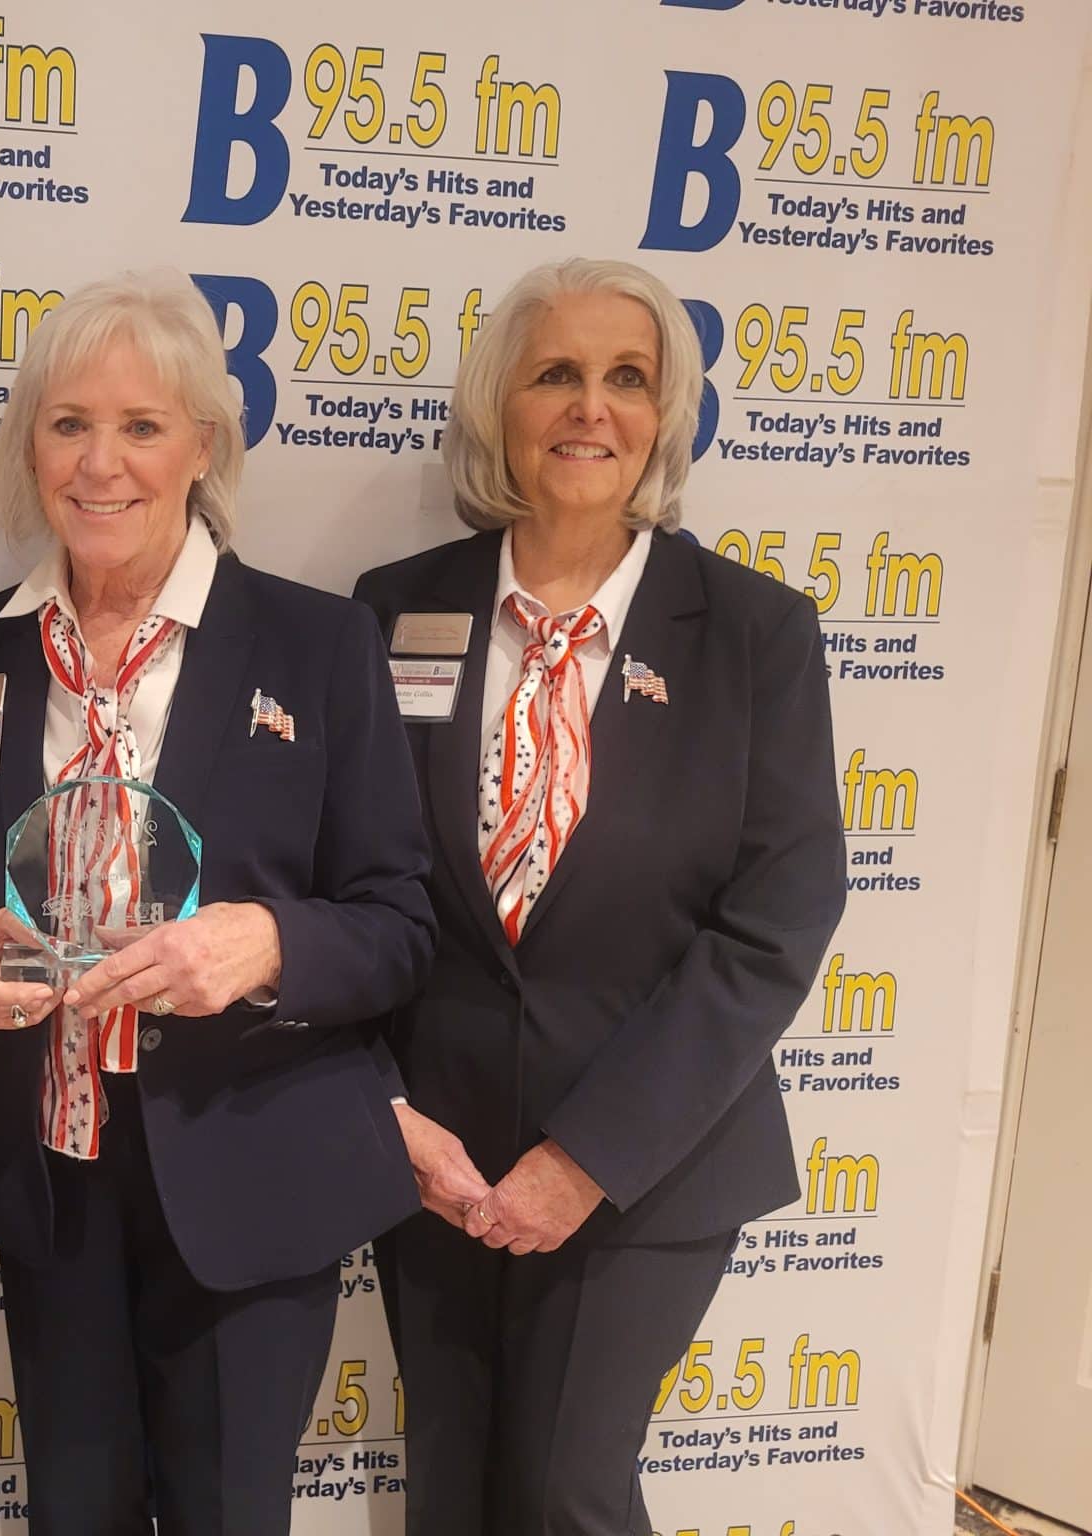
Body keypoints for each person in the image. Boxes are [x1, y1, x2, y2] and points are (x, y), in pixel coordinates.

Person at [0, 270, 436, 1534]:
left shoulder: (317, 645)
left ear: (202, 445)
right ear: (27, 445)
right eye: (67, 424)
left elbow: (398, 922)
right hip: (55, 1174)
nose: (101, 464)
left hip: (251, 1169)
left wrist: (268, 944)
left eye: (141, 426)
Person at [352, 257, 847, 1535]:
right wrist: (392, 1117)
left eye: (626, 379)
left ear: (665, 415)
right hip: (441, 1165)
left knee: (563, 1491)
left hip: (648, 1163)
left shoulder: (754, 634)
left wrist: (585, 1160)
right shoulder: (391, 611)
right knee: (448, 1494)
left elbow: (773, 924)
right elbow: (352, 882)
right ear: (499, 407)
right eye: (555, 375)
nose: (590, 409)